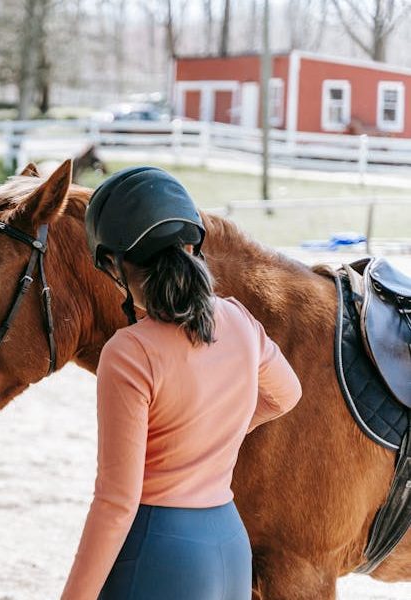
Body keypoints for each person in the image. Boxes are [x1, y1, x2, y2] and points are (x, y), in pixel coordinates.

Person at [61, 166, 302, 600]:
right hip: (229, 545)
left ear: (114, 264)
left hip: (159, 551)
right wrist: (213, 435)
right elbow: (287, 394)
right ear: (192, 245)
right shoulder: (240, 321)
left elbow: (117, 502)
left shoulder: (129, 351)